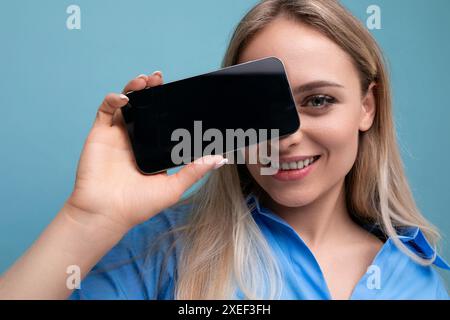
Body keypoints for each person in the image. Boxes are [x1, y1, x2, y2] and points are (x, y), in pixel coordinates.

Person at [0, 0, 448, 300]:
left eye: (318, 101)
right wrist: (88, 219)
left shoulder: (419, 278)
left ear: (366, 107)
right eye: (261, 107)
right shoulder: (162, 249)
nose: (287, 137)